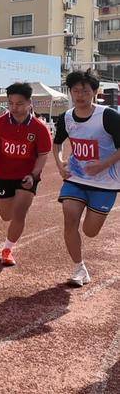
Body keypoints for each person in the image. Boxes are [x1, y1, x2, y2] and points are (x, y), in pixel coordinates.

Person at [53, 70, 120, 287]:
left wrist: (103, 164)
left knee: (90, 231)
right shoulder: (66, 117)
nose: (80, 95)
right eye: (75, 91)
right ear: (70, 92)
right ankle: (79, 268)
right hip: (76, 177)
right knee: (69, 216)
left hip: (106, 181)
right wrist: (60, 164)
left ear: (95, 92)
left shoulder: (108, 116)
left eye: (85, 91)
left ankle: (95, 215)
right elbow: (57, 144)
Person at [0, 82, 52, 267]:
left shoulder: (39, 128)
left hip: (26, 177)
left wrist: (34, 175)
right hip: (4, 175)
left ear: (29, 103)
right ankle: (13, 225)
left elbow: (43, 154)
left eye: (19, 103)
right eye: (10, 103)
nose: (14, 108)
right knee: (6, 216)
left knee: (19, 213)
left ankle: (7, 250)